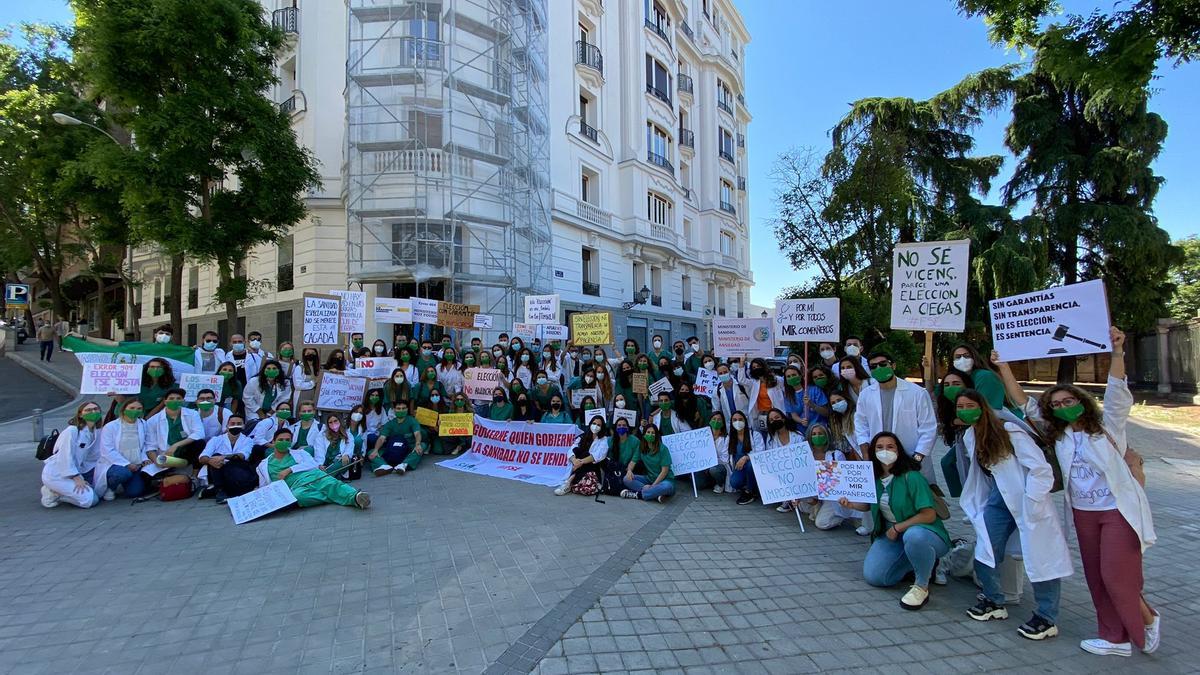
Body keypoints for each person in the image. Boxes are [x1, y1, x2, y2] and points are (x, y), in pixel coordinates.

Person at [993, 328, 1160, 657]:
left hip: (1117, 511)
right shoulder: (1059, 436)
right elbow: (1023, 402)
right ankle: (1115, 638)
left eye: (1069, 400)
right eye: (1056, 404)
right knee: (1097, 576)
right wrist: (1004, 367)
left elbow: (1116, 392)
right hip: (1083, 513)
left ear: (1081, 402)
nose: (1063, 406)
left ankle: (1148, 619)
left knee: (1116, 574)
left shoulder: (1108, 428)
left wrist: (1116, 353)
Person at [954, 389, 1072, 641]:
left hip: (1028, 499)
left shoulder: (1009, 430)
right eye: (960, 407)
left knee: (1041, 558)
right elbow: (982, 474)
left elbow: (1040, 468)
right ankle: (994, 601)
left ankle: (1046, 617)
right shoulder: (969, 435)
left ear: (983, 406)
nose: (965, 410)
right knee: (986, 548)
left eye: (970, 405)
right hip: (997, 500)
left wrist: (1032, 499)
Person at [839, 432, 950, 610]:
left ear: (899, 450)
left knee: (914, 537)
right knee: (876, 576)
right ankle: (917, 562)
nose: (885, 451)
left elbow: (928, 514)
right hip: (891, 534)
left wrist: (899, 528)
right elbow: (870, 505)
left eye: (890, 447)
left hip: (922, 531)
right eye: (879, 447)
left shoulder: (911, 477)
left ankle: (922, 585)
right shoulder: (874, 479)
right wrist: (851, 504)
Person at [854, 350, 938, 486]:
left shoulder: (917, 393)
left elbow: (928, 428)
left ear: (893, 366)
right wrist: (866, 454)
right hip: (880, 457)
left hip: (911, 458)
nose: (878, 368)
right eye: (873, 367)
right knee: (886, 499)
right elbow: (861, 425)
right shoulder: (866, 395)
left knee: (916, 498)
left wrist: (916, 459)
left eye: (883, 364)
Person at [256, 428, 370, 509]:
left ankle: (354, 497)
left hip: (311, 476)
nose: (284, 442)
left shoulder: (299, 453)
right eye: (281, 440)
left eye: (287, 440)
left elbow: (313, 464)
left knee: (328, 483)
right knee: (299, 498)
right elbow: (264, 485)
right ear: (273, 441)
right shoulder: (263, 465)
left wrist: (290, 469)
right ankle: (333, 496)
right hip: (293, 489)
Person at [40, 402, 121, 508]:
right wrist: (76, 477)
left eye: (96, 409)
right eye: (88, 410)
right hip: (57, 474)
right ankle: (54, 493)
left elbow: (94, 457)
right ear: (80, 414)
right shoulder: (72, 431)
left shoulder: (97, 432)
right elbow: (64, 456)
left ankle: (58, 490)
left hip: (78, 470)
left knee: (98, 492)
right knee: (91, 500)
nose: (93, 412)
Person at [801, 422, 857, 530]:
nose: (817, 436)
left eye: (820, 434)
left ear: (827, 436)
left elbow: (842, 479)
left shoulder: (836, 455)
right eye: (814, 434)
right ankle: (816, 505)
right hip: (813, 493)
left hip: (831, 496)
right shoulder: (805, 455)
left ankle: (843, 516)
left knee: (822, 523)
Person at [97, 399, 154, 499]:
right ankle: (111, 488)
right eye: (131, 408)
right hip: (115, 464)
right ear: (123, 409)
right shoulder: (111, 426)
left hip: (136, 464)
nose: (135, 411)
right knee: (122, 473)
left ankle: (129, 482)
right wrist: (126, 464)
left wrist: (145, 458)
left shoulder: (143, 424)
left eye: (139, 408)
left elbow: (146, 444)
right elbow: (107, 450)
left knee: (134, 492)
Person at [198, 413, 257, 500]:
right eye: (232, 424)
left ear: (243, 426)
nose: (235, 426)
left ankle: (214, 490)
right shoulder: (215, 440)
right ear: (227, 425)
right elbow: (202, 457)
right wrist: (211, 460)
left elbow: (243, 455)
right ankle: (219, 490)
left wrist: (224, 457)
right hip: (217, 469)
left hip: (237, 469)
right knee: (215, 457)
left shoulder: (248, 441)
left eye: (239, 424)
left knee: (230, 461)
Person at [146, 388, 207, 470]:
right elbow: (150, 445)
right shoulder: (153, 421)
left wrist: (176, 445)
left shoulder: (193, 414)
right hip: (166, 455)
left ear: (183, 401)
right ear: (165, 401)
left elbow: (199, 433)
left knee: (200, 443)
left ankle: (192, 471)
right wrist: (156, 461)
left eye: (178, 399)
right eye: (171, 399)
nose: (175, 401)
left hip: (185, 451)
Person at [554, 415, 610, 496]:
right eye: (594, 423)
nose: (595, 426)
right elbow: (571, 450)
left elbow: (598, 455)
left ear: (602, 427)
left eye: (598, 425)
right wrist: (574, 461)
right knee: (577, 450)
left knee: (586, 454)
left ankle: (568, 482)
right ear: (590, 424)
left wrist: (580, 462)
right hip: (580, 466)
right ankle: (570, 482)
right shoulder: (583, 436)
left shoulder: (604, 439)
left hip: (594, 467)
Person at [620, 423, 674, 502]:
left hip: (665, 480)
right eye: (648, 432)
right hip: (649, 479)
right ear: (644, 434)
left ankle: (638, 495)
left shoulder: (663, 449)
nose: (650, 435)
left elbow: (664, 471)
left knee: (667, 487)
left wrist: (653, 486)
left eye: (653, 433)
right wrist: (629, 471)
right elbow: (633, 462)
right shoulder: (641, 447)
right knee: (626, 479)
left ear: (656, 435)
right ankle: (654, 495)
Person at [370, 400, 424, 475]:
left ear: (407, 409)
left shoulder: (412, 421)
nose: (401, 410)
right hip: (392, 449)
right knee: (371, 452)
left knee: (421, 446)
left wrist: (417, 444)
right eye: (398, 408)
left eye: (403, 408)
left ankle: (404, 464)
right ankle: (383, 466)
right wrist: (376, 449)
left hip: (409, 448)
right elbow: (382, 438)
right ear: (394, 410)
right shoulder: (390, 424)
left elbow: (417, 433)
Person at [950, 343, 1009, 411]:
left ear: (974, 358)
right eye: (958, 357)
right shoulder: (953, 379)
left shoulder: (985, 376)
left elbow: (986, 409)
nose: (962, 359)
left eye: (966, 356)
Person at [738, 357, 784, 433]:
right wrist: (742, 363)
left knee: (776, 433)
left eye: (758, 366)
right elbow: (741, 380)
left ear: (764, 366)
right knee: (763, 433)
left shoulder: (776, 380)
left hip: (774, 413)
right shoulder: (753, 383)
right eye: (754, 367)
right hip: (761, 414)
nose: (756, 368)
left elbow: (786, 391)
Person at [728, 410, 763, 505]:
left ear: (745, 421)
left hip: (752, 467)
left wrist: (746, 458)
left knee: (750, 465)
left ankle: (750, 492)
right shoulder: (730, 438)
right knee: (734, 483)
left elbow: (760, 453)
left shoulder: (755, 435)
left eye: (740, 419)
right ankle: (750, 486)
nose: (737, 422)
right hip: (739, 469)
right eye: (734, 420)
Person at [317, 413, 357, 477]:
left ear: (340, 421)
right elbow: (319, 450)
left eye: (335, 421)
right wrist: (319, 464)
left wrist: (346, 454)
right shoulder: (322, 435)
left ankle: (324, 477)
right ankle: (328, 477)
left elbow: (350, 447)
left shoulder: (348, 434)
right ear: (327, 424)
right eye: (330, 422)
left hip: (339, 462)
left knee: (345, 460)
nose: (333, 424)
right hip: (326, 463)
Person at [707, 411, 730, 494]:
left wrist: (710, 461)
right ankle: (711, 483)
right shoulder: (704, 436)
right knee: (699, 484)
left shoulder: (726, 438)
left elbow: (725, 459)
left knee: (714, 470)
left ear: (723, 423)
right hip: (705, 467)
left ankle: (720, 484)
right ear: (709, 421)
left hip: (720, 467)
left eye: (719, 420)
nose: (716, 421)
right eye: (714, 419)